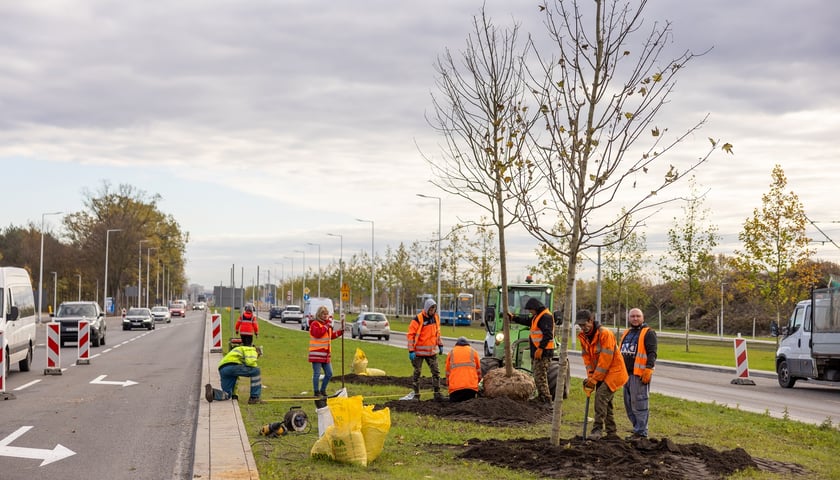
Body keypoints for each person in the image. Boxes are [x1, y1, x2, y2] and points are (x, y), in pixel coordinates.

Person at [576, 309, 628, 440]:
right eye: (580, 325)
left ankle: (597, 429)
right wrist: (590, 377)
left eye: (584, 324)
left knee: (600, 397)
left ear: (591, 321)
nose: (583, 328)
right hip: (601, 374)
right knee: (606, 403)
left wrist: (594, 380)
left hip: (614, 372)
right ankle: (612, 432)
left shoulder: (605, 334)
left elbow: (606, 361)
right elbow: (587, 360)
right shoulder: (583, 337)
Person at [619, 308, 658, 439]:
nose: (635, 318)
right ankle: (637, 430)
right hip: (626, 375)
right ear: (628, 318)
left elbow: (652, 353)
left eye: (638, 316)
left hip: (639, 375)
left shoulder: (648, 333)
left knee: (639, 405)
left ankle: (641, 433)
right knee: (629, 405)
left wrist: (649, 368)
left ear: (643, 317)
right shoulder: (626, 333)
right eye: (632, 316)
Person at [508, 297, 555, 403]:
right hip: (538, 351)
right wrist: (514, 318)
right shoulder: (537, 317)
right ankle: (542, 397)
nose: (530, 312)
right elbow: (527, 321)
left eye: (530, 309)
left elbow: (548, 334)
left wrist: (541, 348)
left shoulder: (545, 317)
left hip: (544, 352)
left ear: (535, 307)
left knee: (540, 376)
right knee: (538, 375)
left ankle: (546, 399)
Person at [407, 298, 444, 401]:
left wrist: (440, 344)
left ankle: (437, 394)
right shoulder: (418, 319)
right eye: (431, 310)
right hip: (418, 352)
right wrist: (411, 350)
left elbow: (437, 333)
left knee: (436, 372)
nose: (432, 312)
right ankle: (416, 394)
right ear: (427, 309)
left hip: (431, 352)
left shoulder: (436, 318)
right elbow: (411, 336)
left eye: (434, 309)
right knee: (417, 373)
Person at [308, 305, 343, 397]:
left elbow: (330, 336)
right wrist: (327, 325)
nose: (325, 315)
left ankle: (322, 390)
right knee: (317, 374)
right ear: (319, 314)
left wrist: (340, 332)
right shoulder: (315, 324)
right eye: (323, 314)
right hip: (316, 354)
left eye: (326, 314)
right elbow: (318, 333)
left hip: (326, 355)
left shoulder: (327, 326)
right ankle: (316, 392)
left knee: (329, 373)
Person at [445, 336, 481, 402]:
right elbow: (478, 371)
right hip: (471, 388)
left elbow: (448, 372)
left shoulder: (451, 353)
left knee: (455, 407)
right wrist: (476, 383)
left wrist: (448, 384)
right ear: (467, 344)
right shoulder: (474, 352)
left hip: (455, 389)